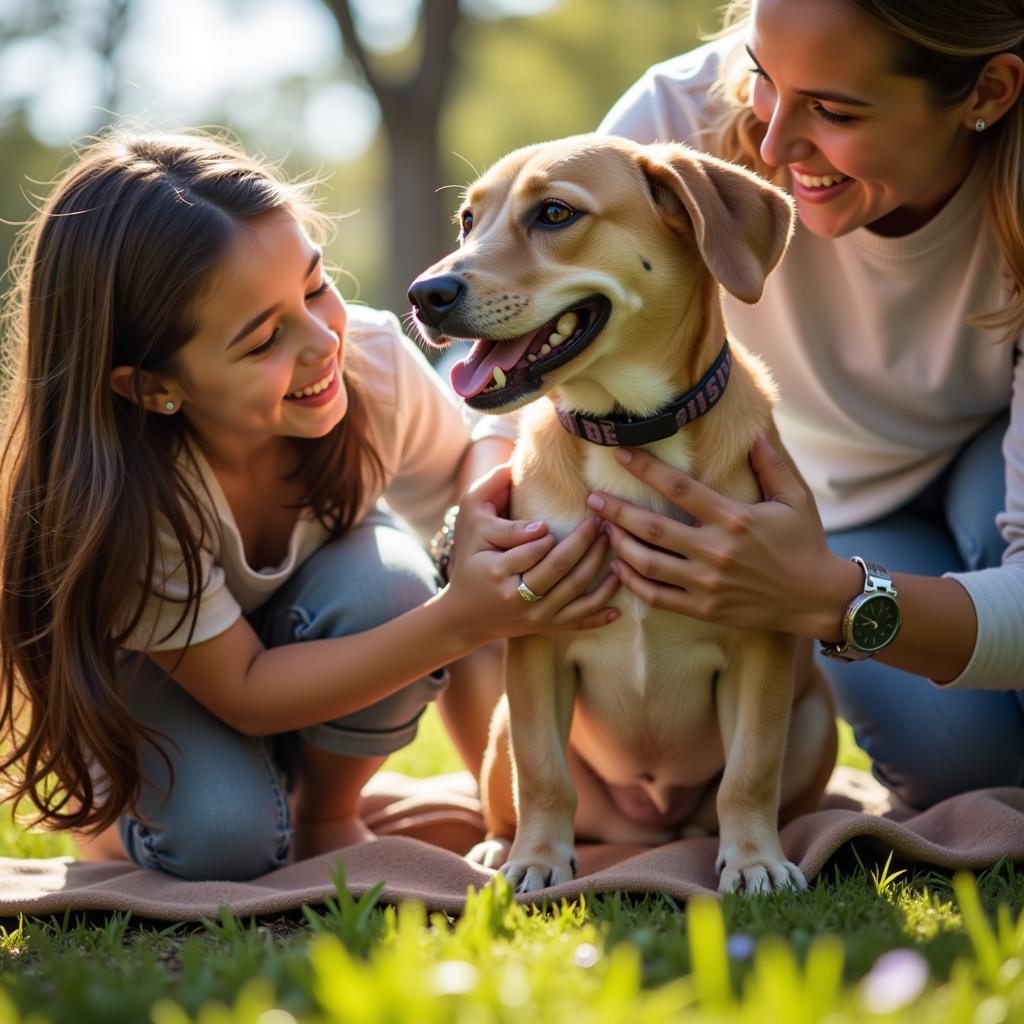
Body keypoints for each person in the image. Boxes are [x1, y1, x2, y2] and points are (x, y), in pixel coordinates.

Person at [0, 130, 620, 880]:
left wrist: (481, 516)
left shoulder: (372, 361)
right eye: (262, 340)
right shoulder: (124, 492)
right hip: (182, 681)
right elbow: (246, 692)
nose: (322, 340)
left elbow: (475, 446)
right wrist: (463, 615)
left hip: (319, 636)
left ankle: (328, 811)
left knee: (392, 584)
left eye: (316, 285)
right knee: (222, 843)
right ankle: (126, 812)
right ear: (152, 386)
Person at [589, 0, 1024, 810]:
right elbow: (545, 326)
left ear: (989, 93)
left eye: (833, 110)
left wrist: (827, 597)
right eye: (763, 78)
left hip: (984, 470)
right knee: (968, 773)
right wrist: (479, 503)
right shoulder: (672, 125)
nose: (774, 143)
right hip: (812, 513)